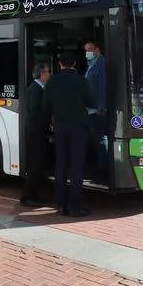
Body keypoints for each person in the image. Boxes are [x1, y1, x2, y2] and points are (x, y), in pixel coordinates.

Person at [42, 51, 95, 217]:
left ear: (60, 64)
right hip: (79, 127)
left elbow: (45, 105)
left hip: (60, 127)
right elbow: (91, 101)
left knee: (61, 165)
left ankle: (61, 205)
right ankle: (75, 206)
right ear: (74, 64)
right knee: (76, 167)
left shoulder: (53, 81)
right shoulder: (82, 81)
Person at [20, 63, 52, 207]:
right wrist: (48, 123)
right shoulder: (36, 89)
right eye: (47, 72)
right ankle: (29, 197)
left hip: (36, 131)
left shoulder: (38, 88)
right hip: (35, 132)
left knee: (37, 165)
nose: (49, 74)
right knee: (35, 165)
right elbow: (36, 112)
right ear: (41, 74)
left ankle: (32, 195)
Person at [84, 39, 108, 180]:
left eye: (90, 49)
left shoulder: (101, 63)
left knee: (99, 139)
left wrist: (101, 107)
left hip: (96, 110)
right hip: (89, 109)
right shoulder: (91, 63)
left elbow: (102, 86)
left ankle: (102, 169)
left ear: (97, 49)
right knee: (94, 139)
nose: (87, 53)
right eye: (86, 50)